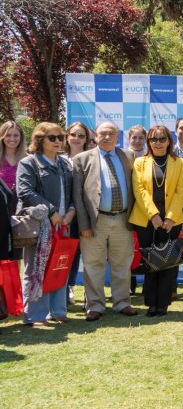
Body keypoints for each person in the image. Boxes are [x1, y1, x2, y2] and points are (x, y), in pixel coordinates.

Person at [72, 121, 138, 321]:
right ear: (95, 136)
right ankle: (95, 305)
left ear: (118, 136)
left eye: (111, 133)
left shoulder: (129, 156)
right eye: (103, 133)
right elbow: (77, 196)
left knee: (122, 264)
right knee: (93, 264)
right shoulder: (81, 159)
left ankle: (122, 302)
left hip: (122, 219)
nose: (107, 137)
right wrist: (84, 225)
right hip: (95, 221)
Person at [16, 122, 76, 325]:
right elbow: (25, 192)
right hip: (39, 225)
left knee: (60, 266)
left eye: (60, 137)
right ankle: (36, 314)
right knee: (36, 268)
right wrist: (51, 212)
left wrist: (70, 211)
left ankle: (58, 311)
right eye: (52, 138)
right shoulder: (29, 163)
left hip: (63, 224)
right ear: (40, 140)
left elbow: (73, 193)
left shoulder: (66, 163)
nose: (58, 141)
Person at [129, 125, 183, 317]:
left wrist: (169, 217)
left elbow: (180, 192)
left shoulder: (179, 163)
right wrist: (153, 215)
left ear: (169, 141)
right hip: (146, 220)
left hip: (172, 221)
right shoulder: (139, 162)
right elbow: (139, 190)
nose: (158, 143)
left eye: (162, 139)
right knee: (150, 262)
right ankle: (151, 303)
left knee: (168, 263)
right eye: (154, 139)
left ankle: (163, 303)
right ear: (148, 142)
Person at [63, 121, 93, 304]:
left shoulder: (92, 158)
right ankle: (63, 289)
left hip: (86, 215)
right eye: (73, 134)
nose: (77, 138)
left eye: (81, 135)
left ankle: (72, 287)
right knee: (65, 253)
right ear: (67, 136)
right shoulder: (59, 159)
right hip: (64, 216)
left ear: (86, 139)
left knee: (80, 254)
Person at [0, 121, 26, 194]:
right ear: (2, 137)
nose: (12, 139)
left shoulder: (28, 160)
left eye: (16, 135)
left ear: (21, 137)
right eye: (8, 135)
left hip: (22, 204)